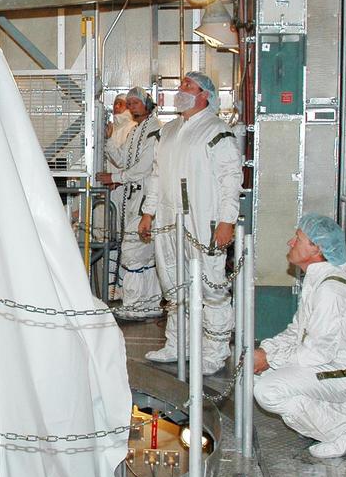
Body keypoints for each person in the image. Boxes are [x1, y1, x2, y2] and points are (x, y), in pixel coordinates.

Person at [137, 71, 242, 375]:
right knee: (173, 284)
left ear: (204, 95)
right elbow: (156, 176)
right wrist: (148, 212)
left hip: (202, 221)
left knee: (212, 288)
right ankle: (177, 344)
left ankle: (214, 352)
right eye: (181, 84)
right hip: (169, 222)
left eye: (188, 85)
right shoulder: (168, 132)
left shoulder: (216, 130)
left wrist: (226, 221)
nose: (180, 89)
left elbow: (230, 179)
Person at [252, 214, 346, 459]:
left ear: (316, 248)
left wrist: (270, 360)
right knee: (261, 377)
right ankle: (332, 417)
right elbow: (296, 332)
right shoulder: (318, 280)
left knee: (270, 390)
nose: (290, 242)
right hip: (332, 363)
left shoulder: (332, 290)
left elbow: (317, 353)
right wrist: (266, 351)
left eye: (298, 238)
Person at [98, 87, 163, 320]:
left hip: (146, 198)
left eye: (137, 102)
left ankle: (135, 303)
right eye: (131, 102)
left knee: (133, 251)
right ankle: (148, 303)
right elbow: (123, 158)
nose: (133, 106)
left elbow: (143, 167)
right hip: (135, 196)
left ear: (148, 104)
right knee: (144, 253)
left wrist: (115, 178)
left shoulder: (156, 130)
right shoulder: (136, 131)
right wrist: (108, 140)